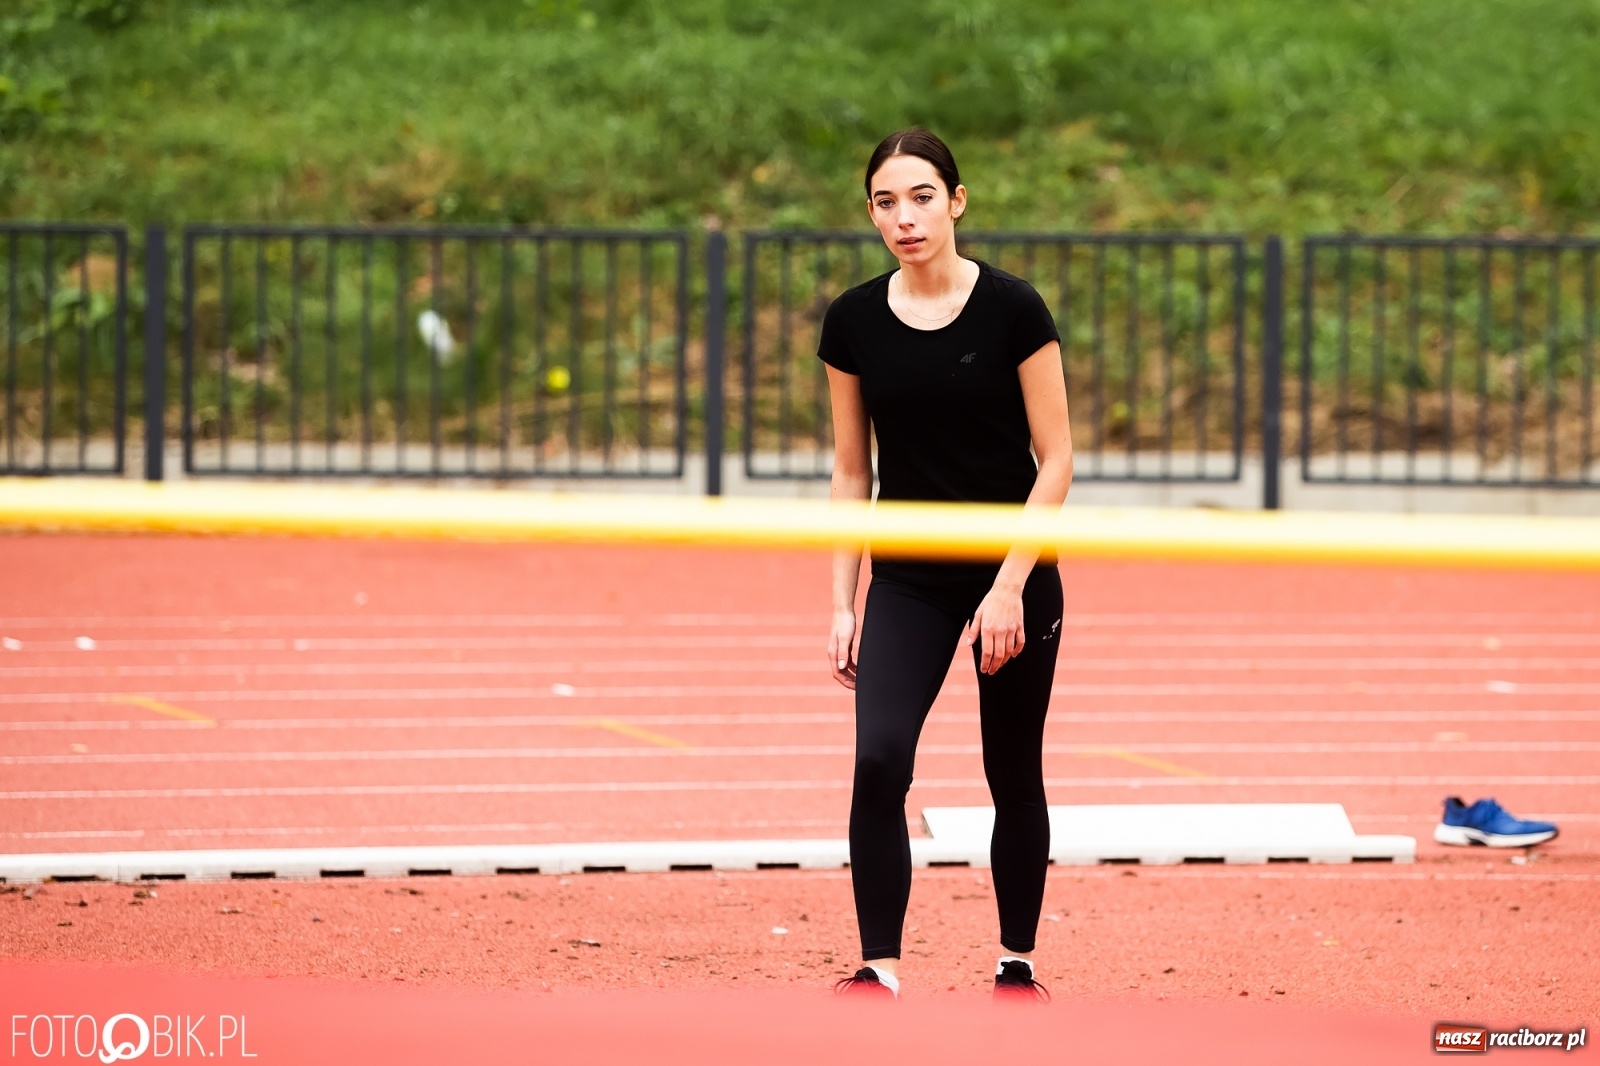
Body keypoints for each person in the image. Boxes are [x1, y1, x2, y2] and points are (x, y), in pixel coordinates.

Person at [819, 128, 1074, 1002]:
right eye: (887, 201)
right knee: (880, 758)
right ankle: (878, 967)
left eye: (922, 196)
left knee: (1014, 769)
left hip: (1014, 569)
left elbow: (1060, 460)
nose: (905, 217)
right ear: (872, 215)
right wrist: (843, 601)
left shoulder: (1014, 308)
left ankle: (1017, 962)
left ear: (957, 201)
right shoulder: (852, 320)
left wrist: (1007, 586)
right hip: (912, 574)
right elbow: (852, 468)